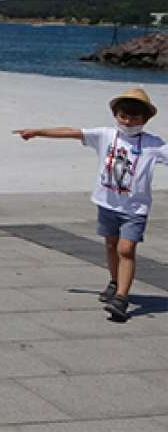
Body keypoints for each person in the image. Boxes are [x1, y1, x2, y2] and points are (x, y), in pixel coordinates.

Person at [13, 88, 164, 322]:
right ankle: (115, 282)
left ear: (145, 119)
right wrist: (37, 132)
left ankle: (121, 299)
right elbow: (72, 132)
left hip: (135, 209)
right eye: (124, 115)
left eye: (135, 116)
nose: (128, 121)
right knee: (111, 246)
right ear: (116, 115)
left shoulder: (153, 144)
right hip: (107, 203)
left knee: (126, 249)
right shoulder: (105, 135)